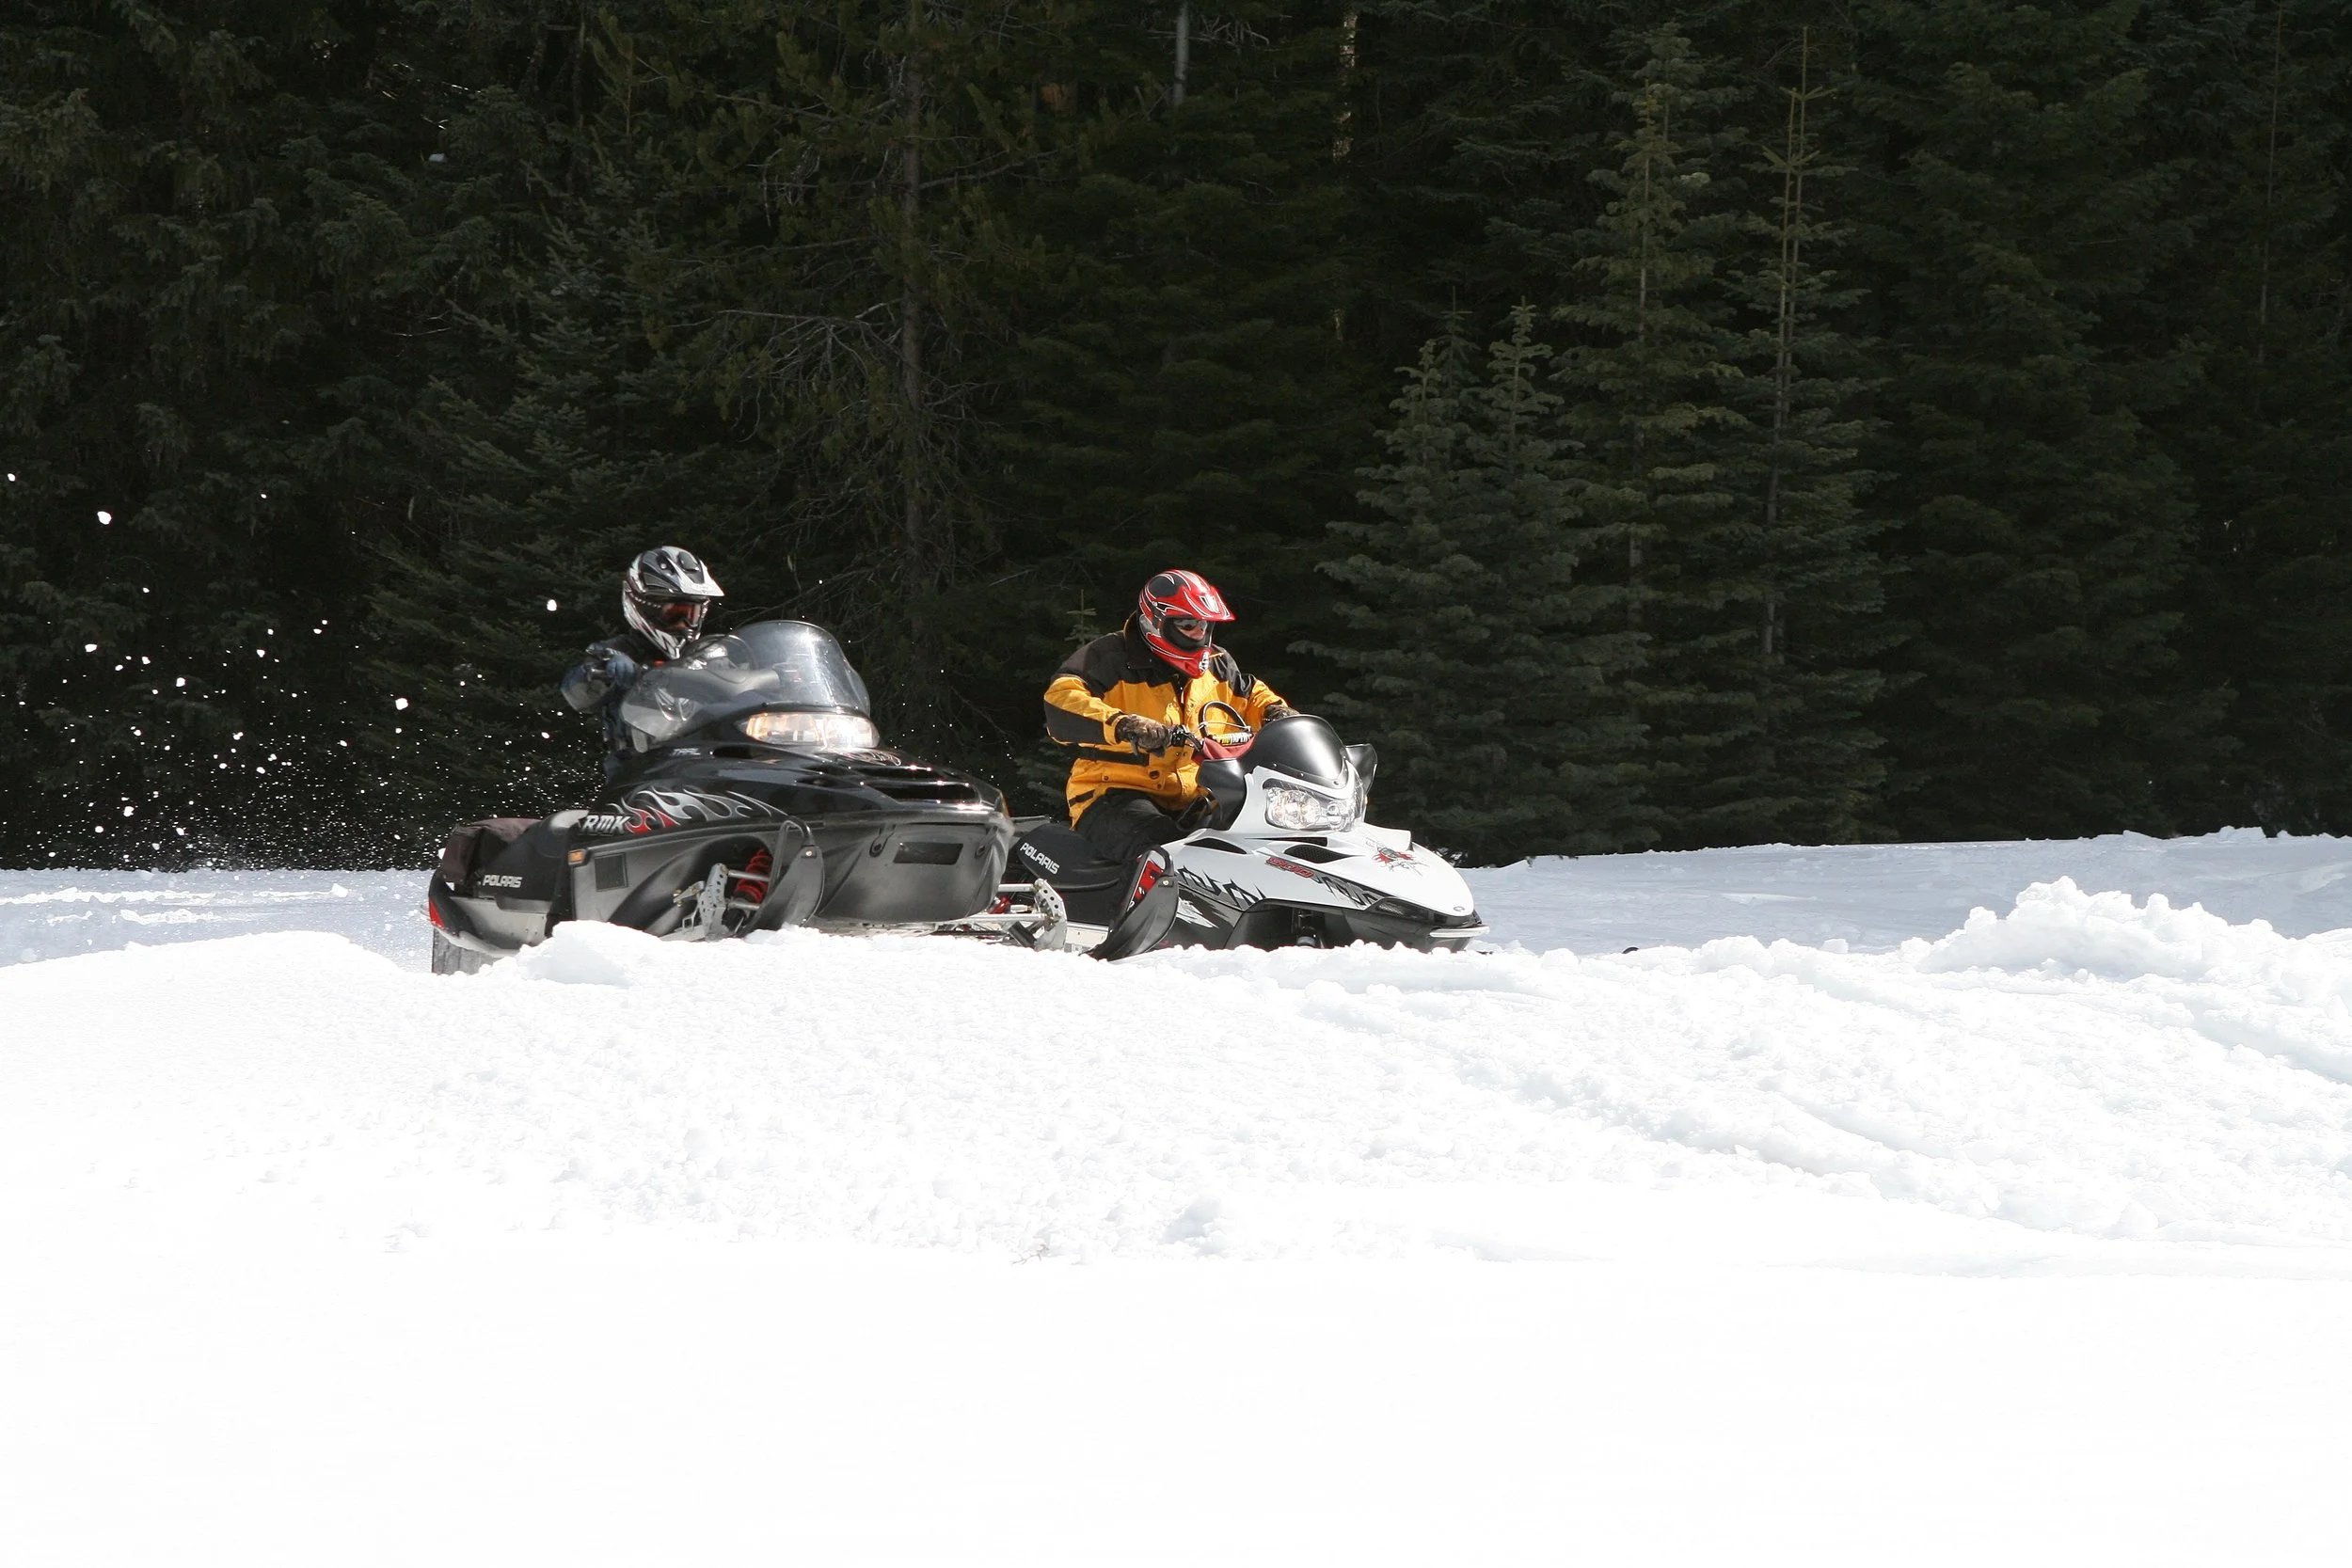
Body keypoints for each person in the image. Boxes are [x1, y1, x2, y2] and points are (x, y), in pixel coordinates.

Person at [1043, 568, 1295, 865]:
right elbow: (1062, 700)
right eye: (1188, 624)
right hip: (1113, 793)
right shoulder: (1109, 658)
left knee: (1252, 847)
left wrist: (1278, 713)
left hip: (1198, 796)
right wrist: (1125, 725)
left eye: (1204, 624)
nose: (1199, 633)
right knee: (1169, 855)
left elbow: (1252, 694)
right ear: (1156, 622)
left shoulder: (1217, 664)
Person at [561, 546, 725, 782]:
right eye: (675, 613)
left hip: (706, 763)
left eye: (692, 614)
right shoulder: (616, 650)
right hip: (636, 773)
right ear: (642, 606)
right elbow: (576, 693)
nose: (684, 624)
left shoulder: (710, 652)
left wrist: (773, 675)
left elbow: (743, 686)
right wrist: (603, 671)